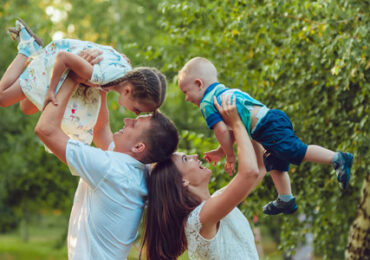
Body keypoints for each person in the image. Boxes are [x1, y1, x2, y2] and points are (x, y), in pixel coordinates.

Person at [177, 57, 354, 215]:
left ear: (199, 84)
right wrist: (220, 151)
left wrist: (230, 156)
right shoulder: (224, 92)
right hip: (270, 122)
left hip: (267, 126)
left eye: (186, 92)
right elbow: (232, 130)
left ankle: (337, 158)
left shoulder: (207, 103)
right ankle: (286, 199)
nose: (186, 98)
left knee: (296, 150)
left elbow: (222, 131)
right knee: (273, 161)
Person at [34, 70, 179, 259]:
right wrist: (104, 84)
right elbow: (101, 131)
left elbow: (45, 130)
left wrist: (72, 77)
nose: (126, 120)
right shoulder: (134, 169)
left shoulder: (112, 169)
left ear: (138, 147)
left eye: (133, 124)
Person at [1, 18, 166, 145]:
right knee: (3, 98)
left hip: (65, 64)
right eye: (137, 109)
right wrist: (51, 89)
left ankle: (32, 63)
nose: (135, 113)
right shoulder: (101, 77)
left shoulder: (123, 70)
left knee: (27, 107)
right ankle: (27, 49)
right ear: (128, 91)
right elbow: (63, 58)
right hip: (55, 61)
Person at [141, 94, 265, 260]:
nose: (194, 156)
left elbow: (260, 166)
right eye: (186, 159)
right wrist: (236, 123)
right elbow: (249, 173)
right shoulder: (199, 219)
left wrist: (246, 124)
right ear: (182, 181)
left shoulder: (216, 201)